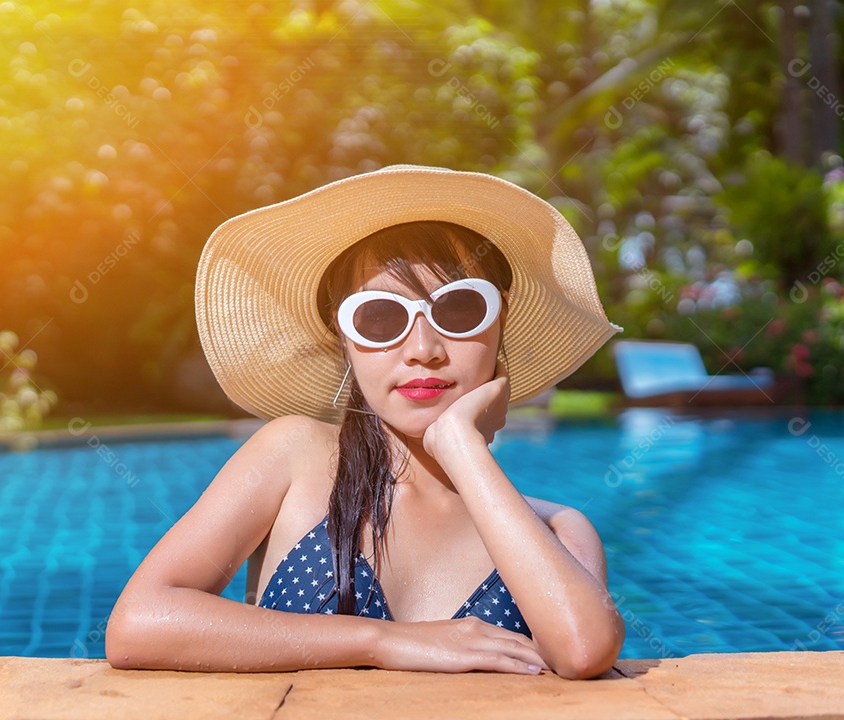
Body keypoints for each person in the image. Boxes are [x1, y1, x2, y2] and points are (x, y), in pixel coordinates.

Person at [105, 165, 625, 679]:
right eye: (380, 317)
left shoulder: (559, 531)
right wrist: (384, 641)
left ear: (499, 321)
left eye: (460, 309)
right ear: (344, 336)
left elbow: (583, 651)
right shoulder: (295, 458)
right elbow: (137, 624)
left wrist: (462, 448)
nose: (423, 350)